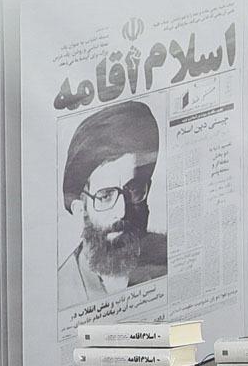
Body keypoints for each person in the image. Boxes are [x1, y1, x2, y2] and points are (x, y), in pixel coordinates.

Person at [57, 100, 167, 310]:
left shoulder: (165, 259)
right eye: (105, 196)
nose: (122, 211)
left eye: (133, 190)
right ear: (81, 209)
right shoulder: (62, 292)